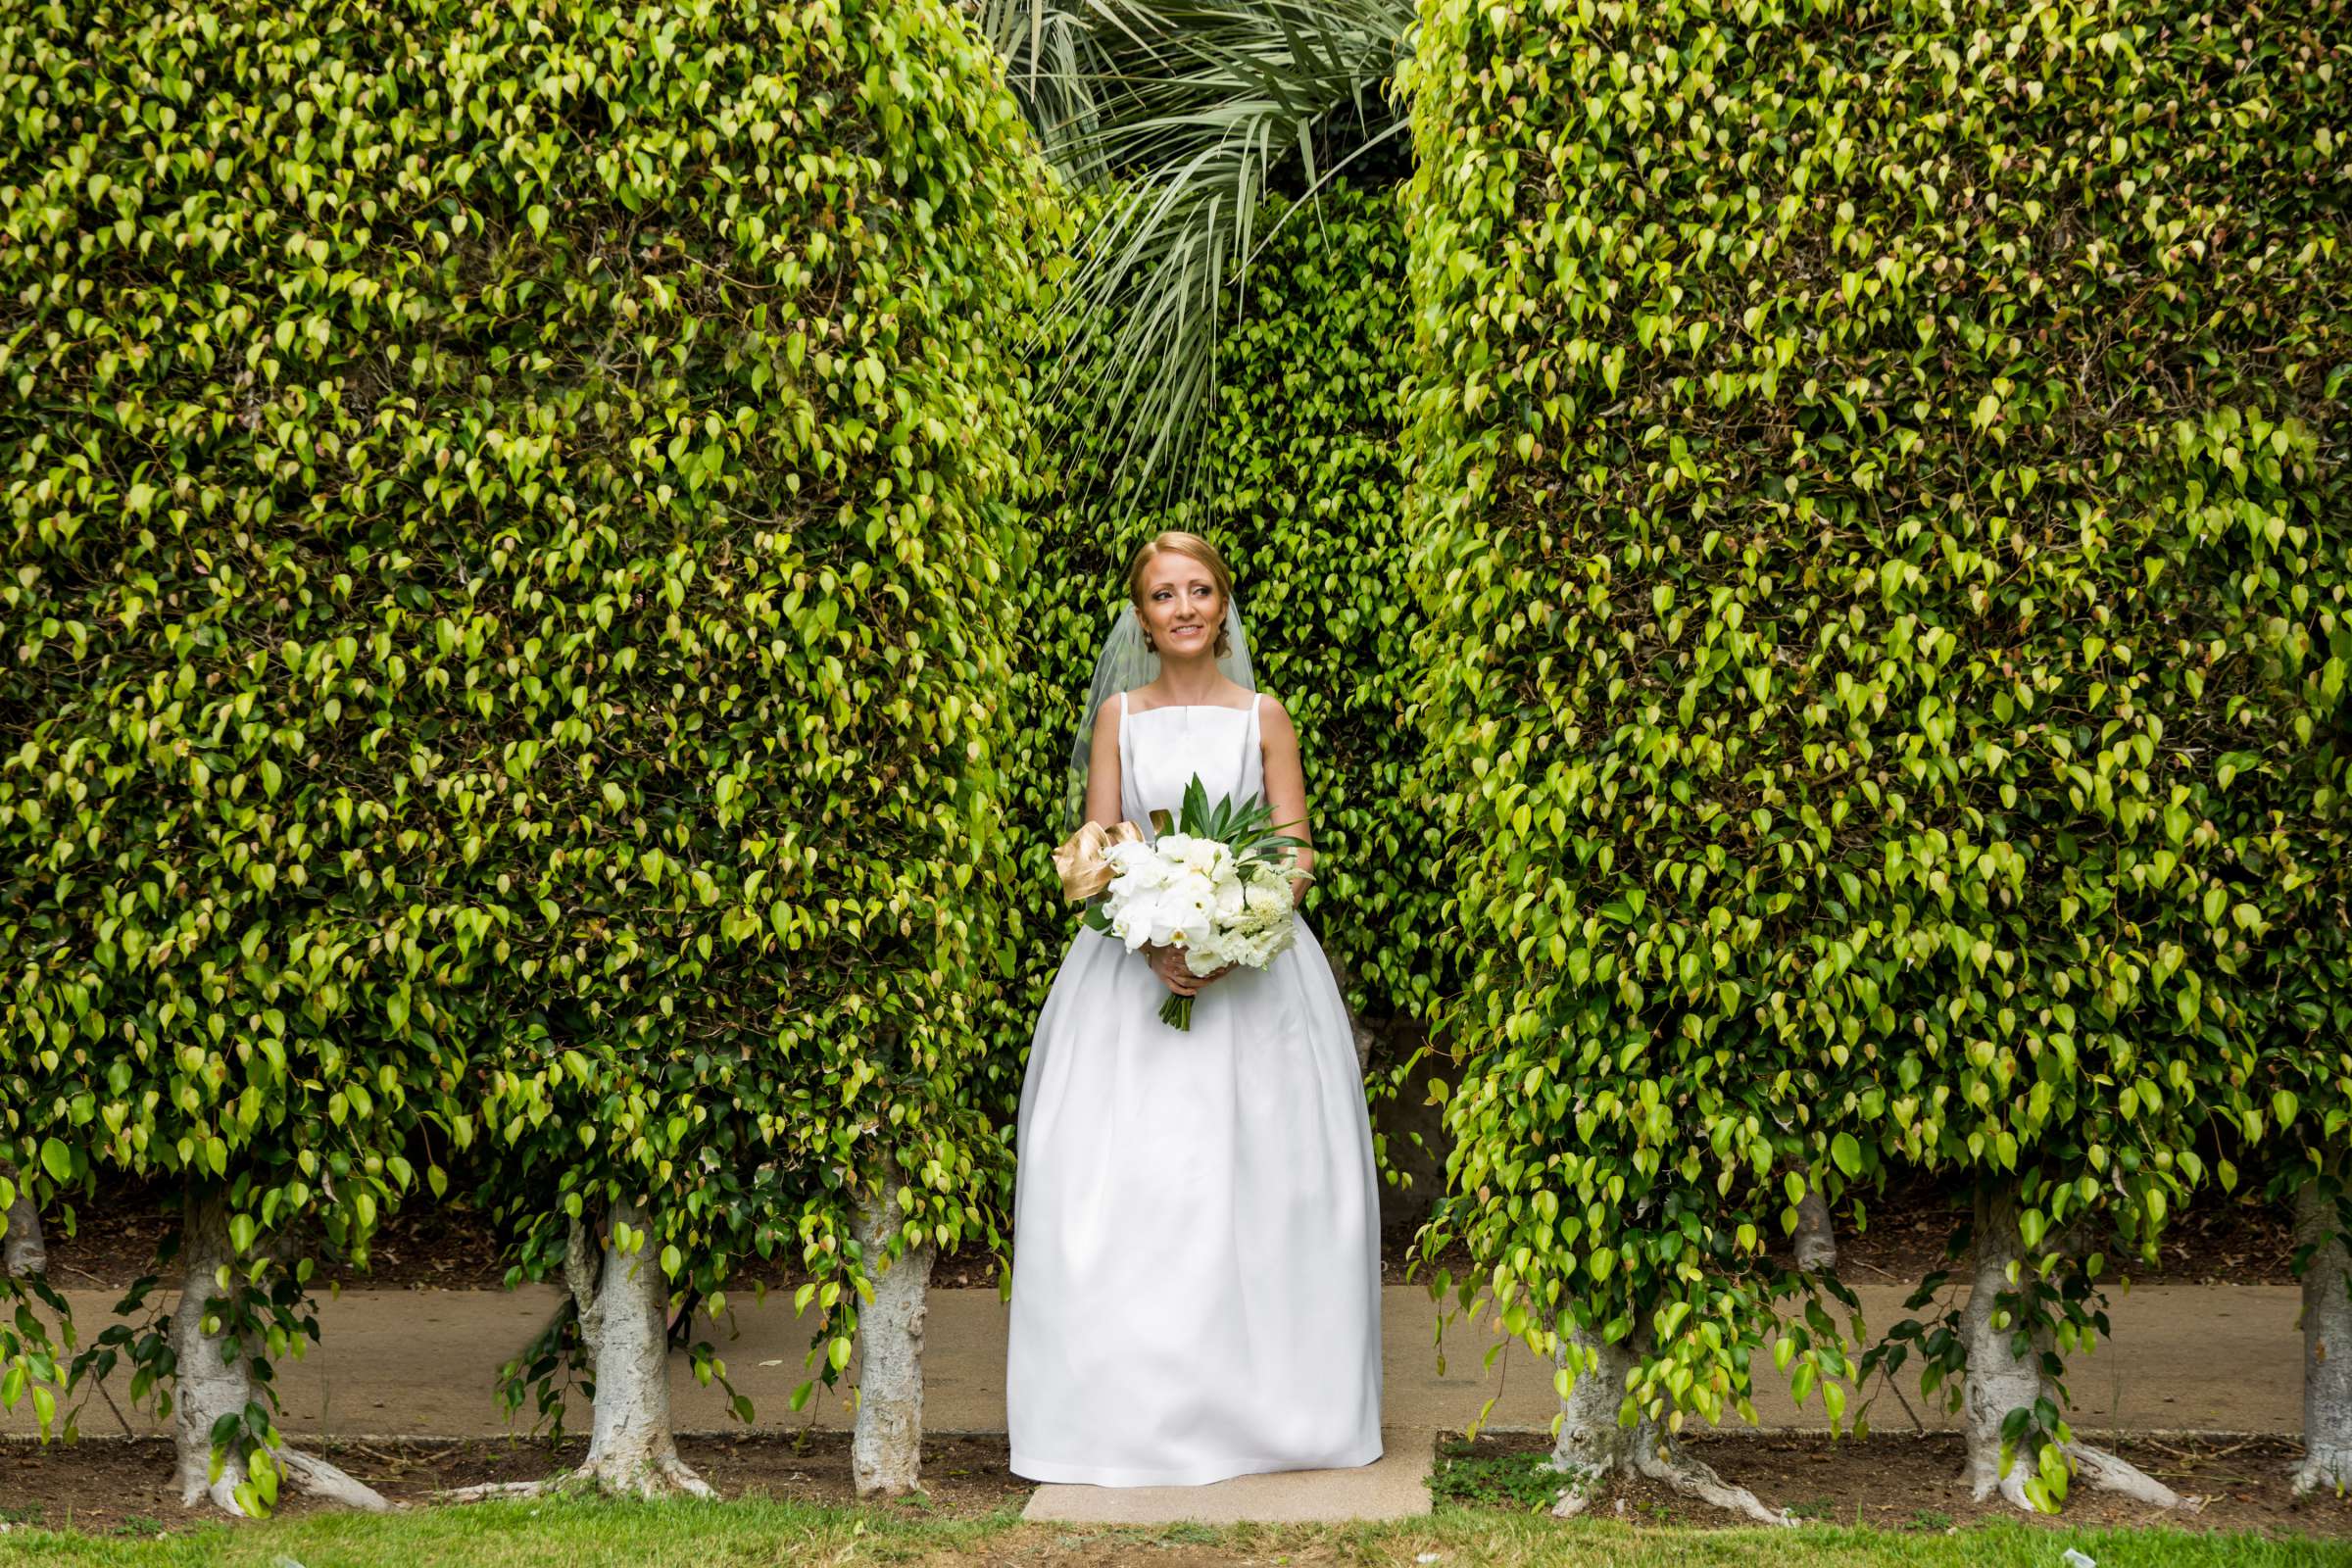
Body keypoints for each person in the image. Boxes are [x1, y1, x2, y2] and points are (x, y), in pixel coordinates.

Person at [1005, 529, 1384, 1486]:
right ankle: (1125, 1412)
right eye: (1164, 593)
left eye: (1199, 589)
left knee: (1258, 1187)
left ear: (1223, 604)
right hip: (1133, 974)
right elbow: (1098, 847)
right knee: (1136, 1185)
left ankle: (1270, 1411)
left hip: (1256, 974)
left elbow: (1294, 848)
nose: (1183, 607)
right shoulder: (1119, 718)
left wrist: (1231, 926)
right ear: (1142, 616)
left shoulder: (1264, 714)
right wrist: (1155, 929)